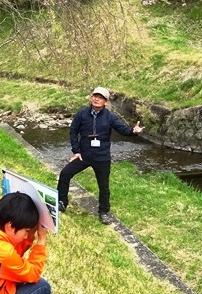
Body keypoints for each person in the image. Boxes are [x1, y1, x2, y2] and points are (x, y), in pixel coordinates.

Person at [56, 87, 142, 222]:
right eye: (95, 96)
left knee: (103, 186)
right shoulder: (82, 114)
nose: (96, 99)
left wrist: (133, 131)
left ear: (105, 102)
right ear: (91, 98)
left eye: (100, 97)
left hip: (102, 158)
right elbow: (73, 132)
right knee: (65, 173)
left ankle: (104, 212)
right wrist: (76, 151)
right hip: (83, 156)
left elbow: (123, 130)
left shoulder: (110, 116)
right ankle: (61, 202)